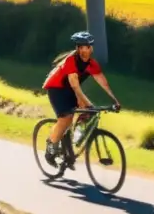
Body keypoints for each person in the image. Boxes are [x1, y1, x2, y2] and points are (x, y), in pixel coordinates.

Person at [41, 31, 120, 168]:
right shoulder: (71, 62)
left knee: (88, 113)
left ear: (91, 48)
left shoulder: (92, 64)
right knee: (65, 119)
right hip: (57, 89)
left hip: (71, 90)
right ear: (77, 49)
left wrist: (115, 100)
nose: (85, 51)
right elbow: (76, 88)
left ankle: (71, 144)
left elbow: (103, 82)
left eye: (87, 47)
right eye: (81, 47)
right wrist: (88, 104)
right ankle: (51, 148)